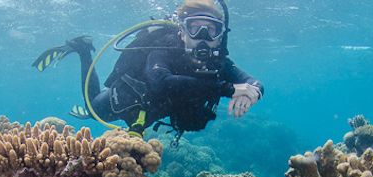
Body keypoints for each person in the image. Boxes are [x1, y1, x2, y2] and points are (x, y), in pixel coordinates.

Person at [33, 0, 263, 140]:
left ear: (220, 36)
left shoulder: (220, 61)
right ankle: (84, 51)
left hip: (162, 109)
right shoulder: (163, 47)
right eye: (195, 28)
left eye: (211, 30)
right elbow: (161, 82)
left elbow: (254, 83)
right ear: (182, 31)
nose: (203, 37)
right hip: (133, 98)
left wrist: (251, 94)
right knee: (93, 109)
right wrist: (228, 89)